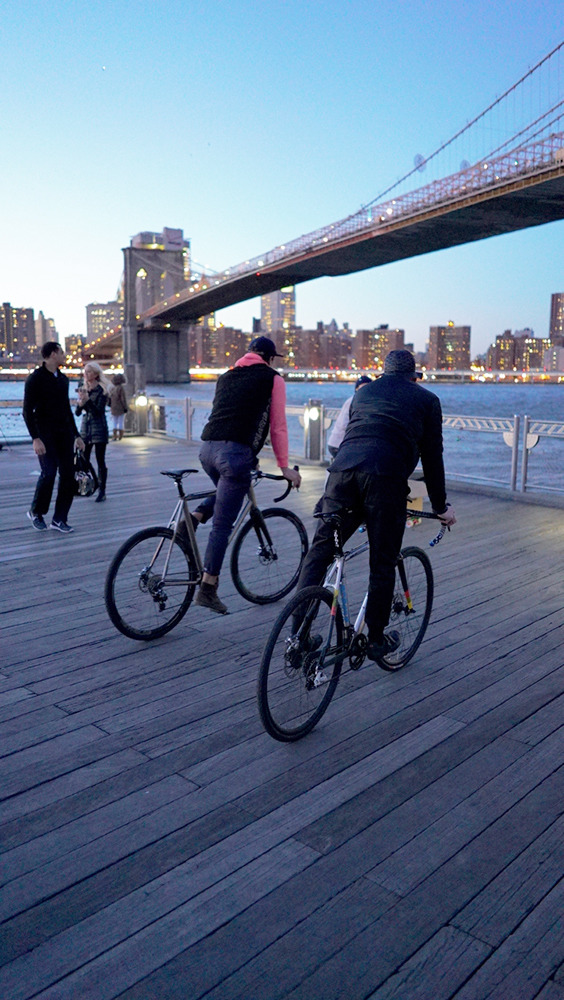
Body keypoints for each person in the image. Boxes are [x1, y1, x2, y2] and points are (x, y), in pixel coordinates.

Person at [294, 349, 457, 660]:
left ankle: (296, 635)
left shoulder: (363, 393)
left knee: (320, 553)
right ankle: (376, 639)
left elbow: (355, 436)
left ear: (383, 372)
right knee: (382, 561)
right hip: (385, 480)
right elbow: (433, 459)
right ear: (414, 376)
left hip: (341, 474)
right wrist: (440, 507)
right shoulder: (427, 400)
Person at [193, 335, 302, 614]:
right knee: (223, 526)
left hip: (207, 450)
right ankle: (208, 586)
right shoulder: (272, 378)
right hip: (235, 456)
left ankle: (194, 517)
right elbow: (277, 427)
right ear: (269, 358)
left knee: (229, 494)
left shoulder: (226, 376)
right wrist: (285, 467)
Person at [23, 341, 85, 533]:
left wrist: (76, 435)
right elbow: (27, 411)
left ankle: (59, 519)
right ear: (52, 354)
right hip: (45, 433)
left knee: (68, 476)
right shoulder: (35, 379)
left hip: (64, 434)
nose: (64, 355)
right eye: (61, 352)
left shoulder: (63, 379)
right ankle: (37, 512)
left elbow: (66, 410)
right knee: (49, 473)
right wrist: (35, 438)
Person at [75, 362, 110, 503]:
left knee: (100, 459)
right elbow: (77, 413)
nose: (86, 374)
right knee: (84, 459)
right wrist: (81, 402)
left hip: (99, 427)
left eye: (89, 372)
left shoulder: (102, 390)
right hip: (86, 428)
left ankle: (102, 490)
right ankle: (88, 486)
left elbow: (98, 411)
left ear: (96, 374)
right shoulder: (83, 389)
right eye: (85, 372)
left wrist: (88, 401)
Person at [327, 374, 372, 458]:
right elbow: (345, 424)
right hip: (340, 444)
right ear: (356, 389)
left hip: (338, 443)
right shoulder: (353, 401)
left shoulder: (357, 400)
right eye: (362, 387)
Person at [109, 373, 128, 441]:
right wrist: (125, 408)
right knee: (120, 422)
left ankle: (114, 436)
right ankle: (120, 436)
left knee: (114, 422)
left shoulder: (113, 388)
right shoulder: (121, 388)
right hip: (120, 408)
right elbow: (123, 399)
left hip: (113, 407)